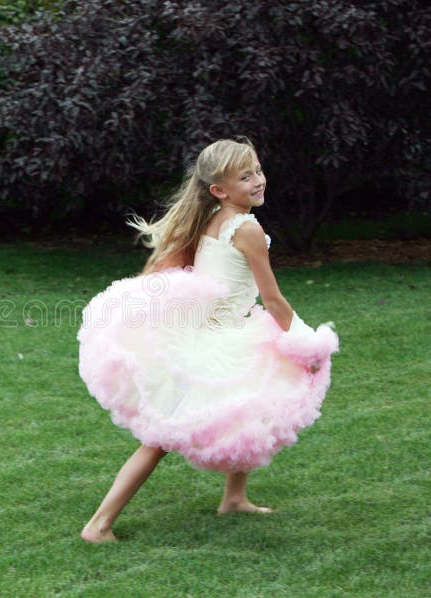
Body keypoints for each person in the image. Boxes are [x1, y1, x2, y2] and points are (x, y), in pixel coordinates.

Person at [77, 137, 339, 543]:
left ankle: (234, 498)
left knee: (247, 404)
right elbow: (272, 298)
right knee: (160, 438)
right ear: (219, 189)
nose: (257, 180)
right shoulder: (246, 227)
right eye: (244, 176)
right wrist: (307, 342)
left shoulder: (214, 217)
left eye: (257, 170)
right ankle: (99, 524)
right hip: (218, 339)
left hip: (220, 330)